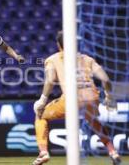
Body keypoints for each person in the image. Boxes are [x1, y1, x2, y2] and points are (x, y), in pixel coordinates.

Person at [32, 32, 121, 165]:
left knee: (40, 115)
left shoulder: (53, 59)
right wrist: (109, 97)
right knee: (93, 121)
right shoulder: (87, 59)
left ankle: (43, 152)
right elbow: (105, 79)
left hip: (72, 99)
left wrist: (42, 100)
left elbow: (50, 80)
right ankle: (113, 152)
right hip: (92, 97)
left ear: (58, 45)